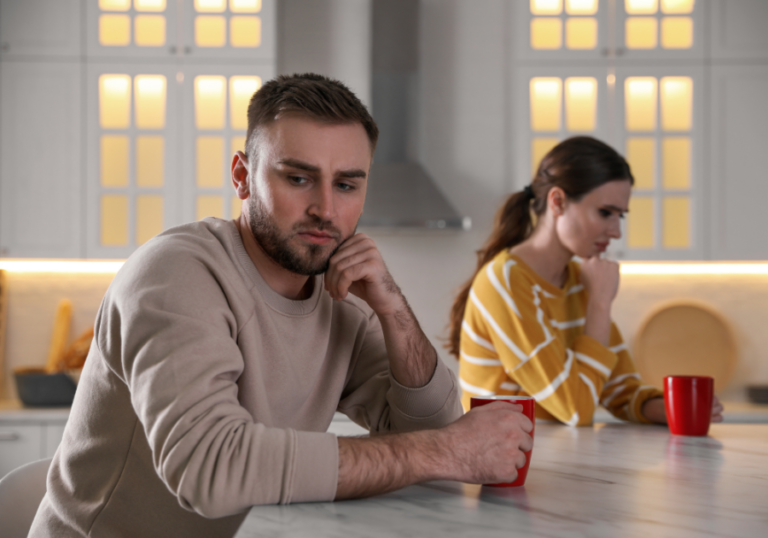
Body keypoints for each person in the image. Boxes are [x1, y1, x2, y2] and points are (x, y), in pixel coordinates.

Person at [29, 74, 532, 538]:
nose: (326, 209)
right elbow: (210, 469)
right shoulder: (175, 275)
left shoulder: (345, 300)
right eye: (298, 178)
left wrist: (393, 309)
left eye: (347, 184)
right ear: (242, 176)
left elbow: (439, 438)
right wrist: (443, 451)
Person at [448, 136, 724, 427]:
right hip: (506, 463)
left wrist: (677, 408)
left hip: (557, 454)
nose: (616, 231)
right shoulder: (506, 282)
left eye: (621, 216)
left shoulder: (579, 281)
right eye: (605, 213)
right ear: (558, 202)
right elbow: (575, 409)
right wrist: (600, 304)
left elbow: (620, 391)